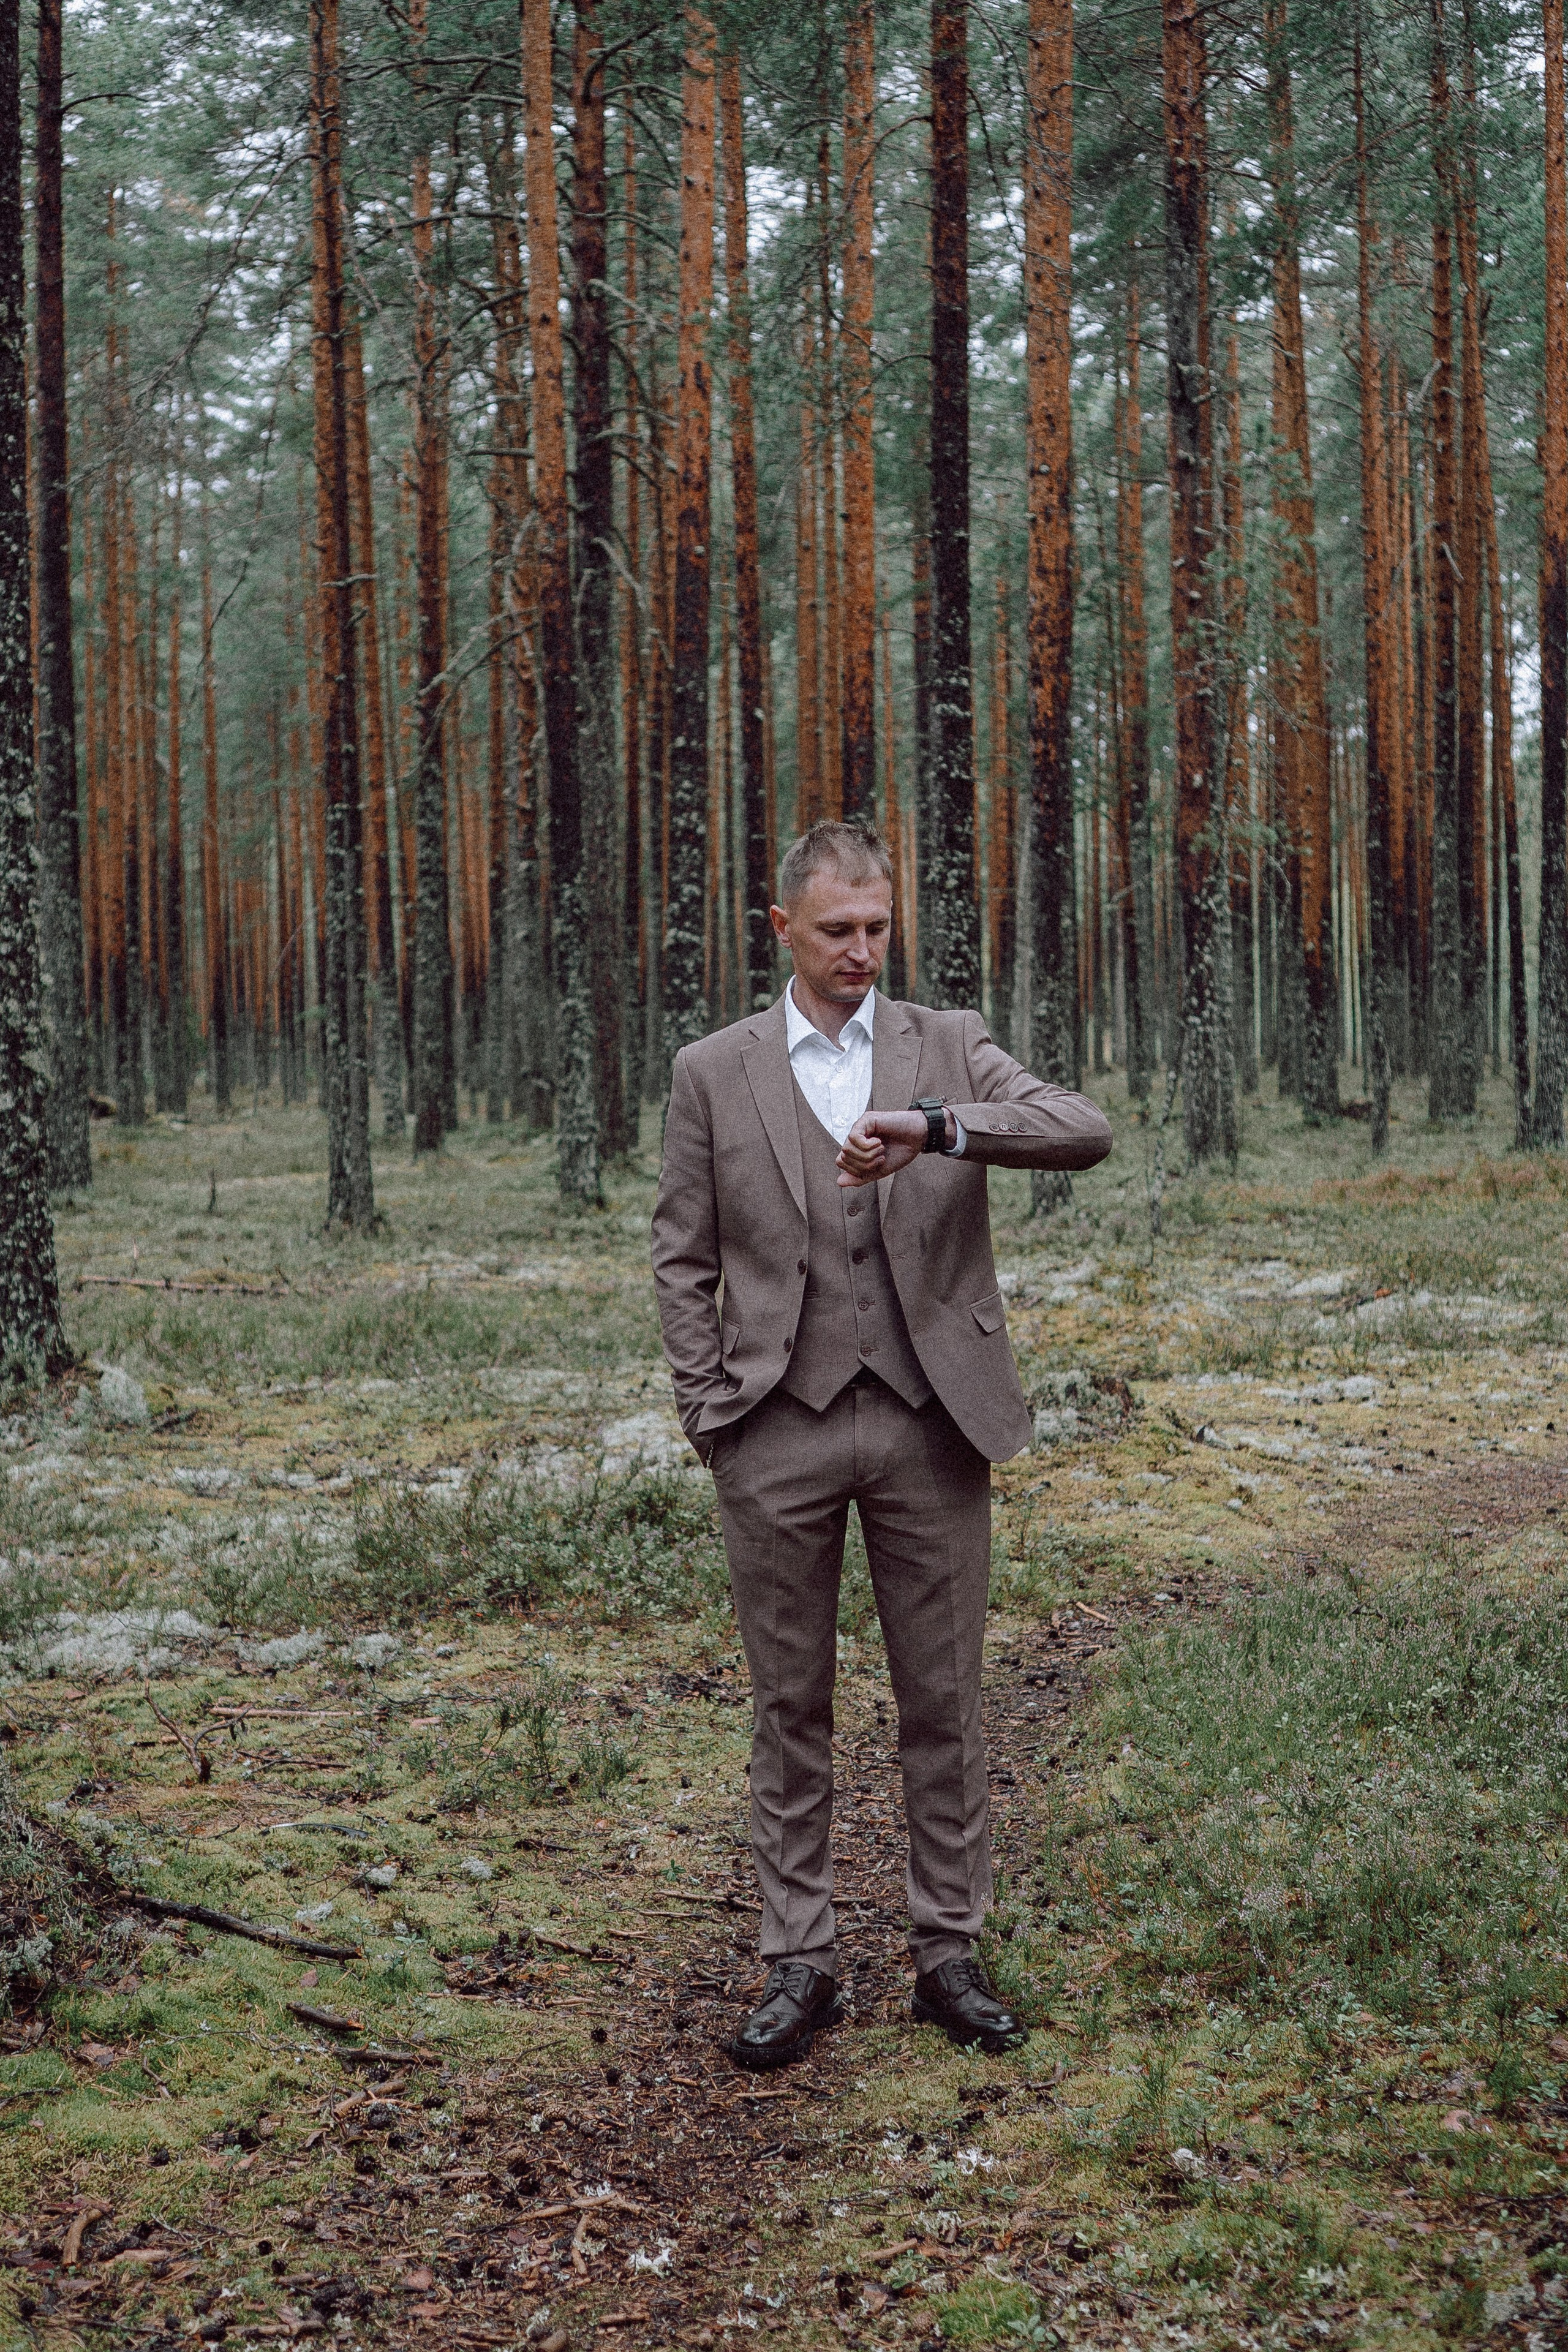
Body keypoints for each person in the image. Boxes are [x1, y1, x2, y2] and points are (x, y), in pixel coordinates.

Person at [651, 821, 1113, 2071]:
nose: (862, 952)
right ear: (782, 929)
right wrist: (714, 1418)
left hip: (929, 1423)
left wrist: (942, 1127)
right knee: (789, 1704)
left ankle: (944, 1954)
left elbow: (1080, 1128)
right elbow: (681, 1256)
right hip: (774, 1433)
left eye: (877, 928)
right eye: (837, 930)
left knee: (942, 1701)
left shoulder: (946, 1046)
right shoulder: (711, 1069)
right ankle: (797, 1962)